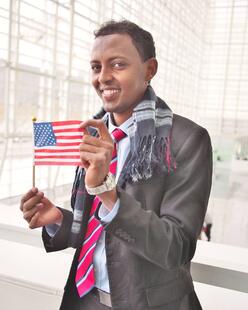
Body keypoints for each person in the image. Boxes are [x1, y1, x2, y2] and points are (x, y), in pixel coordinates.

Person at [20, 20, 212, 310]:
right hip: (85, 300)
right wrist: (58, 219)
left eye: (118, 65)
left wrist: (106, 190)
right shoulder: (93, 133)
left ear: (149, 70)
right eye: (96, 67)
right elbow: (102, 231)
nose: (103, 77)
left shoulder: (186, 140)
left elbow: (176, 248)